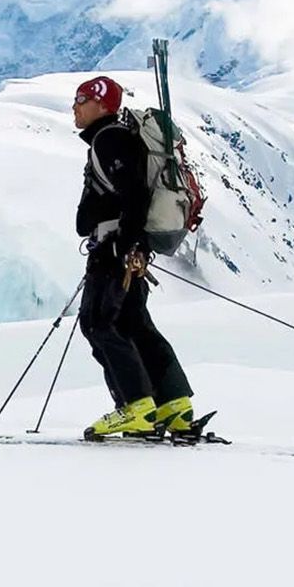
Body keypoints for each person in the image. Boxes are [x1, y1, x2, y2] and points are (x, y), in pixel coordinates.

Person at [71, 76, 196, 437]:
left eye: (81, 99)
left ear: (102, 105)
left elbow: (134, 194)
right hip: (130, 249)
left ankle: (136, 406)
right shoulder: (119, 137)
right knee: (133, 323)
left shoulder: (109, 139)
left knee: (99, 323)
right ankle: (173, 405)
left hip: (114, 250)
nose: (75, 107)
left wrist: (122, 244)